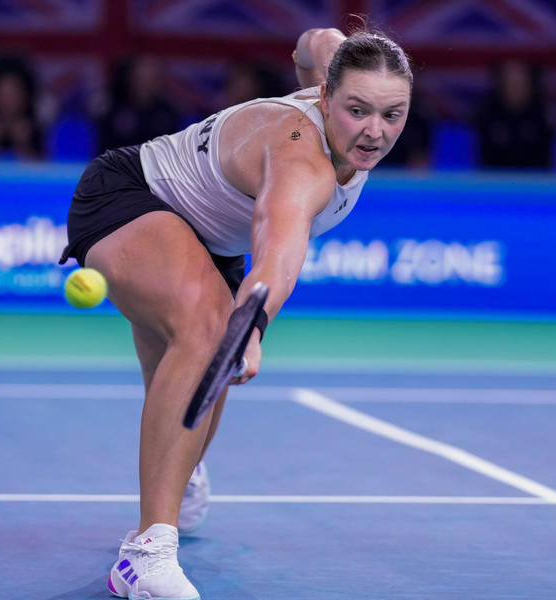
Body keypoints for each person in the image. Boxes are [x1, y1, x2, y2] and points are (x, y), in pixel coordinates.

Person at [59, 24, 412, 600]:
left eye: (393, 114)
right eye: (357, 110)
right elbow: (278, 248)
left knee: (194, 380)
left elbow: (317, 41)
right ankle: (144, 557)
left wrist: (313, 49)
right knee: (207, 334)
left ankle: (181, 469)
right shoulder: (303, 161)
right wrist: (251, 323)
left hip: (209, 244)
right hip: (133, 198)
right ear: (326, 98)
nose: (374, 131)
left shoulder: (339, 73)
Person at [93, 55, 182, 154]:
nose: (148, 82)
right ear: (131, 78)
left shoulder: (170, 112)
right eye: (143, 76)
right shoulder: (110, 109)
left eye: (153, 76)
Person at [475, 60, 554, 169]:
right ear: (500, 85)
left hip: (537, 182)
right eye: (510, 83)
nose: (515, 88)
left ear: (531, 85)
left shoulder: (547, 116)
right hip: (493, 182)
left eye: (520, 83)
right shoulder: (484, 115)